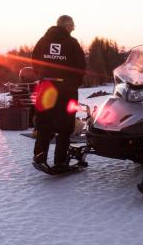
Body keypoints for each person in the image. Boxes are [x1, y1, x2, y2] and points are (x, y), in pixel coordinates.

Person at [31, 15, 86, 171]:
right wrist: (75, 82)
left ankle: (39, 155)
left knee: (43, 123)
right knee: (65, 124)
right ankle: (60, 161)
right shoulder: (72, 43)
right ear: (67, 25)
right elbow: (81, 66)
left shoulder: (43, 41)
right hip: (65, 88)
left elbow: (34, 60)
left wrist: (41, 77)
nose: (72, 28)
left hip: (45, 85)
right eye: (72, 26)